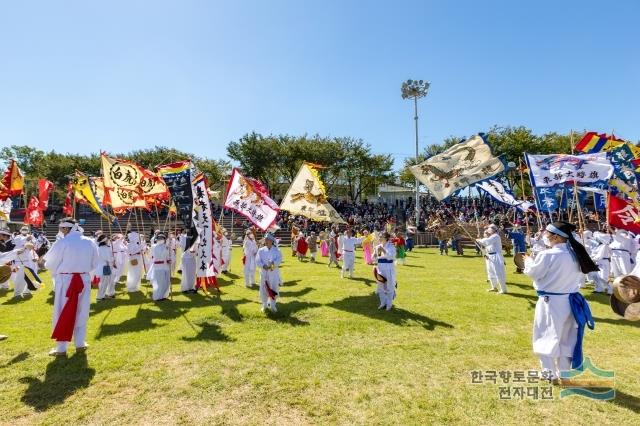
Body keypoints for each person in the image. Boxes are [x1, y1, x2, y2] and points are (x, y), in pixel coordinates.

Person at [523, 221, 598, 382]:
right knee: (566, 338)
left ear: (555, 237)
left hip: (551, 301)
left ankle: (548, 373)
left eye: (547, 233)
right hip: (570, 301)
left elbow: (533, 272)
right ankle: (564, 374)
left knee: (546, 335)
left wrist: (528, 260)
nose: (544, 235)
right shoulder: (574, 254)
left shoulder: (548, 254)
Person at [44, 218, 99, 357]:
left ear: (65, 228)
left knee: (63, 310)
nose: (60, 231)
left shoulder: (62, 242)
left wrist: (62, 270)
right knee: (82, 310)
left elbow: (49, 263)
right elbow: (95, 262)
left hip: (66, 280)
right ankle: (80, 343)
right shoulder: (90, 241)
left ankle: (61, 348)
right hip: (83, 279)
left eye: (61, 228)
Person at [476, 224, 507, 294]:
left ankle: (503, 289)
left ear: (493, 229)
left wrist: (479, 240)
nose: (488, 230)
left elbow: (487, 242)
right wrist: (486, 254)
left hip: (496, 256)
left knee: (498, 272)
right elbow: (486, 245)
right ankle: (494, 287)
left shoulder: (495, 236)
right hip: (490, 256)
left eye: (489, 229)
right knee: (490, 272)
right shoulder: (491, 237)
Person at [256, 233, 282, 313]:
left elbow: (279, 260)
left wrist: (273, 264)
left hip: (273, 273)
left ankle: (273, 305)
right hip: (264, 273)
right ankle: (264, 305)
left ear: (272, 241)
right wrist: (263, 266)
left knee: (274, 288)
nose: (266, 241)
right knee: (264, 288)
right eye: (265, 240)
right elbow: (257, 260)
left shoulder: (277, 250)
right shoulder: (261, 250)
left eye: (268, 240)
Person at [374, 232, 396, 311]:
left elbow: (391, 257)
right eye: (379, 236)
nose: (379, 238)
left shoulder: (391, 246)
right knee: (380, 287)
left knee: (389, 287)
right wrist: (374, 256)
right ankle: (383, 303)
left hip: (389, 268)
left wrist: (384, 250)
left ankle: (389, 304)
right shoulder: (378, 247)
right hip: (380, 268)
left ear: (386, 238)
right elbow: (377, 258)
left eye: (381, 237)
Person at [150, 233, 171, 301]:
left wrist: (169, 259)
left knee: (166, 282)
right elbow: (160, 255)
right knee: (160, 283)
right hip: (159, 267)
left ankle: (164, 295)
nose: (161, 240)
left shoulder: (165, 246)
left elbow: (167, 255)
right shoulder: (155, 247)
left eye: (162, 239)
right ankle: (158, 297)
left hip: (165, 267)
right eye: (159, 239)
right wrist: (166, 248)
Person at [95, 234, 116, 301]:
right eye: (107, 240)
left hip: (101, 266)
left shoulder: (99, 248)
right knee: (103, 283)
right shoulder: (105, 248)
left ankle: (106, 294)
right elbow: (108, 258)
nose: (108, 241)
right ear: (105, 241)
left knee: (104, 282)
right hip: (105, 267)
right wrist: (113, 258)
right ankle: (100, 297)